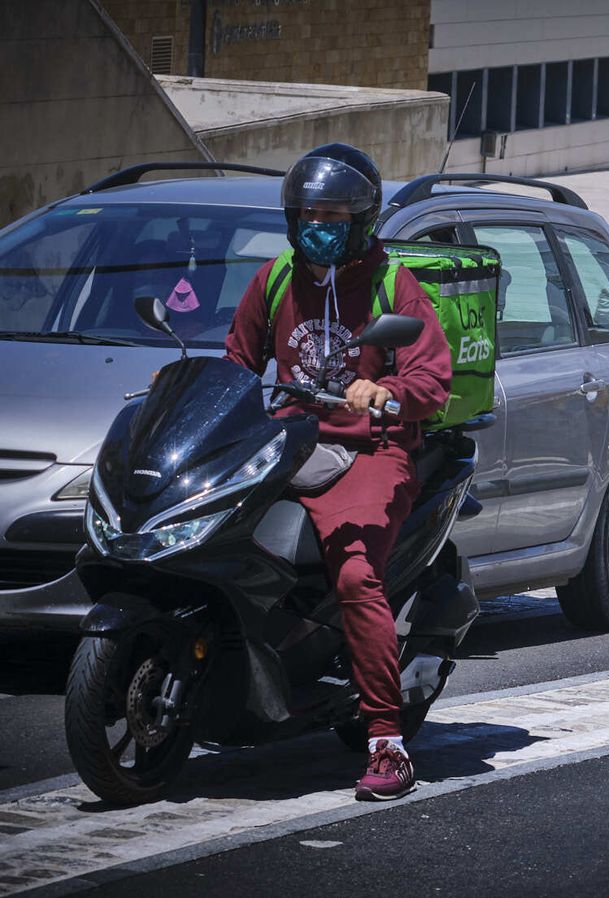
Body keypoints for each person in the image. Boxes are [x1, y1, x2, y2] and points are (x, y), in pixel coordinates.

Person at [222, 143, 452, 802]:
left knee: (354, 573)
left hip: (371, 452)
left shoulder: (390, 285)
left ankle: (386, 741)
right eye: (309, 213)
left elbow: (430, 377)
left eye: (334, 214)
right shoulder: (273, 279)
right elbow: (237, 362)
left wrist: (386, 394)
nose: (320, 224)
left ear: (362, 220)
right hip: (289, 447)